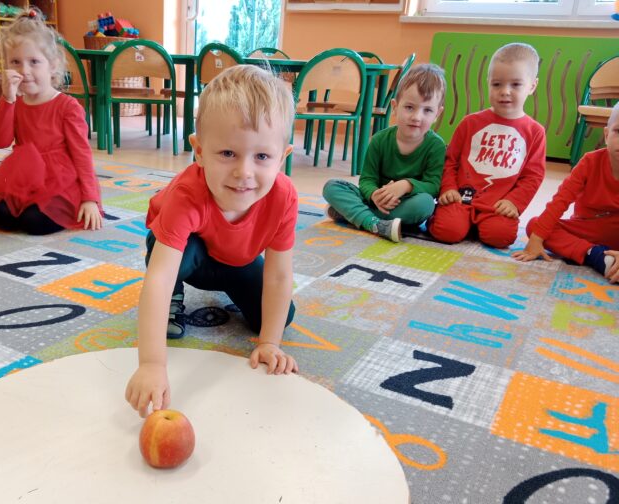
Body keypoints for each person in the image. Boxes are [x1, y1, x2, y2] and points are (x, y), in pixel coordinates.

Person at [125, 65, 299, 418]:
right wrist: (152, 364)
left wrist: (269, 343)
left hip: (237, 261)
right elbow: (158, 277)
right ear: (200, 151)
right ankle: (177, 298)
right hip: (193, 258)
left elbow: (279, 276)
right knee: (174, 256)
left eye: (262, 157)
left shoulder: (284, 197)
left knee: (280, 316)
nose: (244, 172)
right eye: (227, 154)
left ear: (283, 158)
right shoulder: (187, 194)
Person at [0, 10, 102, 235]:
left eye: (34, 62)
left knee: (34, 222)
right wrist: (7, 100)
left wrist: (90, 199)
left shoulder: (67, 107)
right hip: (25, 178)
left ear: (52, 65)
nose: (24, 71)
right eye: (15, 62)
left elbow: (82, 155)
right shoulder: (15, 103)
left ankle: (60, 208)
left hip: (60, 182)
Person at [429, 42, 546, 248]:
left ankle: (478, 225)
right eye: (497, 84)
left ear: (532, 86)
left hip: (498, 206)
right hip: (461, 198)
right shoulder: (470, 122)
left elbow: (533, 176)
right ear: (488, 83)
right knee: (447, 231)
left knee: (500, 237)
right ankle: (452, 219)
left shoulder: (535, 132)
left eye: (516, 85)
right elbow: (450, 160)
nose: (505, 91)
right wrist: (448, 189)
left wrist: (513, 202)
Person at [323, 63, 447, 242]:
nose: (416, 117)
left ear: (437, 114)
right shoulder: (379, 140)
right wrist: (374, 194)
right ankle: (375, 223)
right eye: (409, 107)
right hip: (375, 201)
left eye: (427, 110)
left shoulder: (436, 146)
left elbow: (433, 186)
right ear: (395, 106)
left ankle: (358, 215)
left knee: (426, 204)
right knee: (332, 186)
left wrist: (406, 185)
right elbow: (367, 180)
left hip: (405, 205)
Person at [512, 103, 619, 284]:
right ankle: (595, 255)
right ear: (607, 135)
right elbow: (560, 201)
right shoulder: (590, 163)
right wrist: (536, 239)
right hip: (585, 230)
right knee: (535, 226)